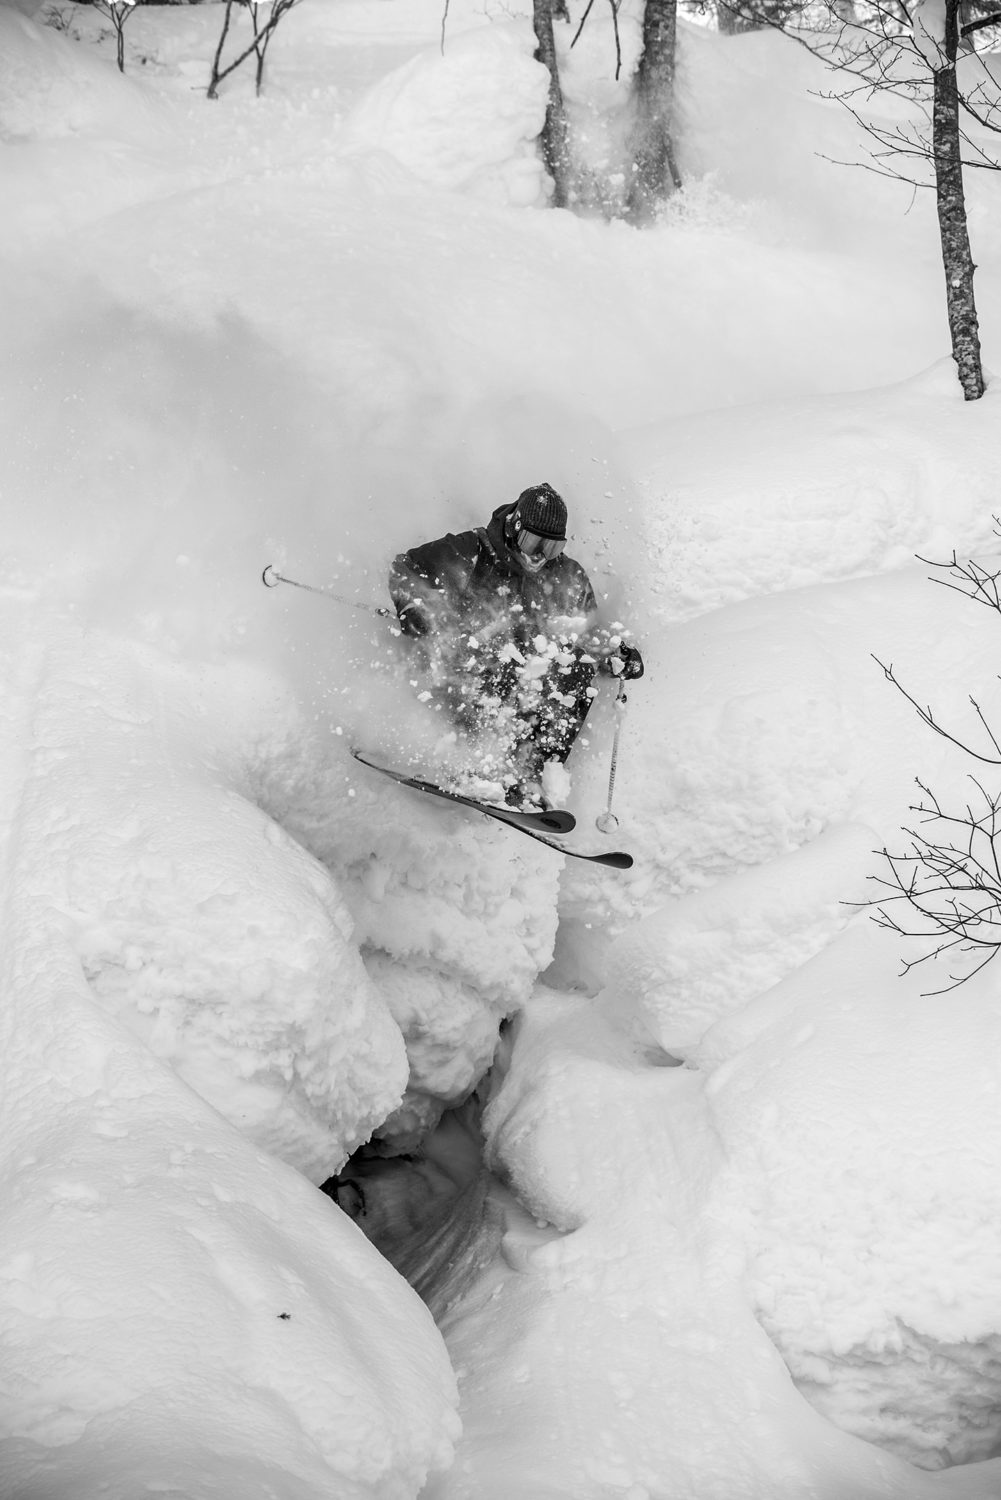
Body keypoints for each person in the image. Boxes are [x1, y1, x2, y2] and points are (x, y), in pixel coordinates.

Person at [389, 483, 643, 808]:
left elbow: (587, 637)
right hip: (462, 678)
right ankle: (471, 764)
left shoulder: (566, 576)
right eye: (534, 543)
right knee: (497, 645)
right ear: (516, 528)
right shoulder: (473, 549)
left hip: (520, 697)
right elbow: (406, 568)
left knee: (574, 665)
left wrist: (616, 658)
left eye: (552, 548)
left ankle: (527, 777)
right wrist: (414, 609)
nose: (540, 556)